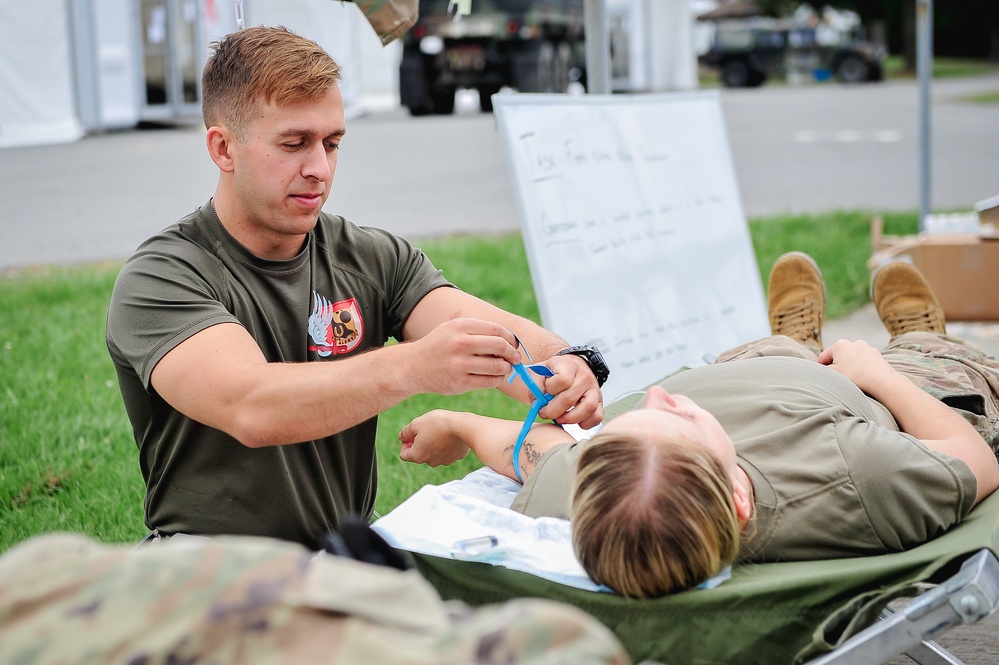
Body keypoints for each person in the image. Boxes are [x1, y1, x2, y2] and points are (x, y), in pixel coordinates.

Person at [105, 26, 609, 551]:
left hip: (345, 558)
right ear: (223, 147)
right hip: (208, 566)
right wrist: (414, 366)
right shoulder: (162, 275)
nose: (319, 169)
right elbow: (252, 407)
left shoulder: (369, 256)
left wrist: (567, 365)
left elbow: (485, 332)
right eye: (294, 143)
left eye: (332, 143)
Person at [399, 253, 999, 598]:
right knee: (939, 367)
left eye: (629, 426)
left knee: (775, 348)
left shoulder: (604, 497)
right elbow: (971, 457)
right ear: (739, 498)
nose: (658, 394)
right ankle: (925, 334)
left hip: (747, 369)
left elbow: (532, 450)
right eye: (677, 418)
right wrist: (875, 373)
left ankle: (794, 338)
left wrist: (459, 423)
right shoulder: (858, 477)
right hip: (862, 394)